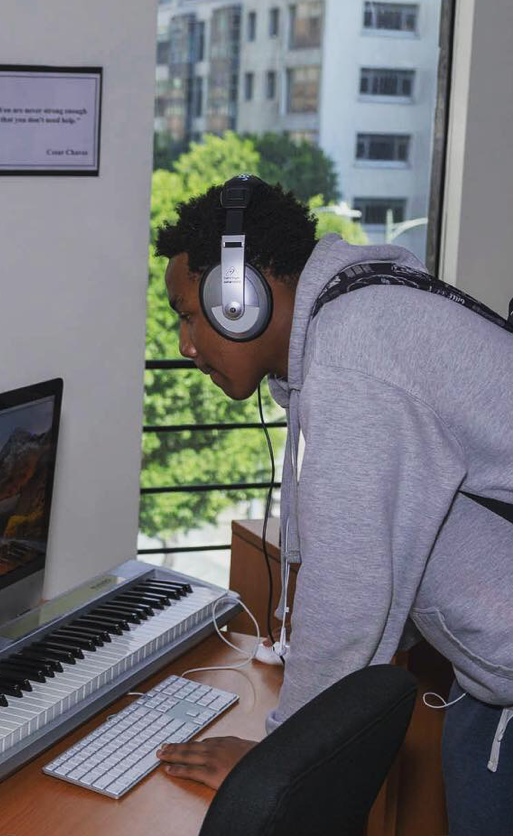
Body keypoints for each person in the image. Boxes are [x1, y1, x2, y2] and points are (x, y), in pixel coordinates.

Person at [150, 176, 513, 835]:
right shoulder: (365, 313)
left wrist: (274, 760)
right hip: (487, 685)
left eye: (187, 314)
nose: (184, 344)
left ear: (241, 299)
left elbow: (350, 586)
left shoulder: (355, 357)